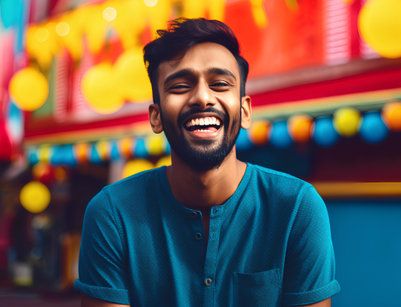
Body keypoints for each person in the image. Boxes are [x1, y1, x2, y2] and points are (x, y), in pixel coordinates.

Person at [74, 18, 340, 307]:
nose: (202, 97)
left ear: (245, 110)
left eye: (220, 84)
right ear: (156, 116)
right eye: (180, 86)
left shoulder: (297, 207)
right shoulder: (112, 214)